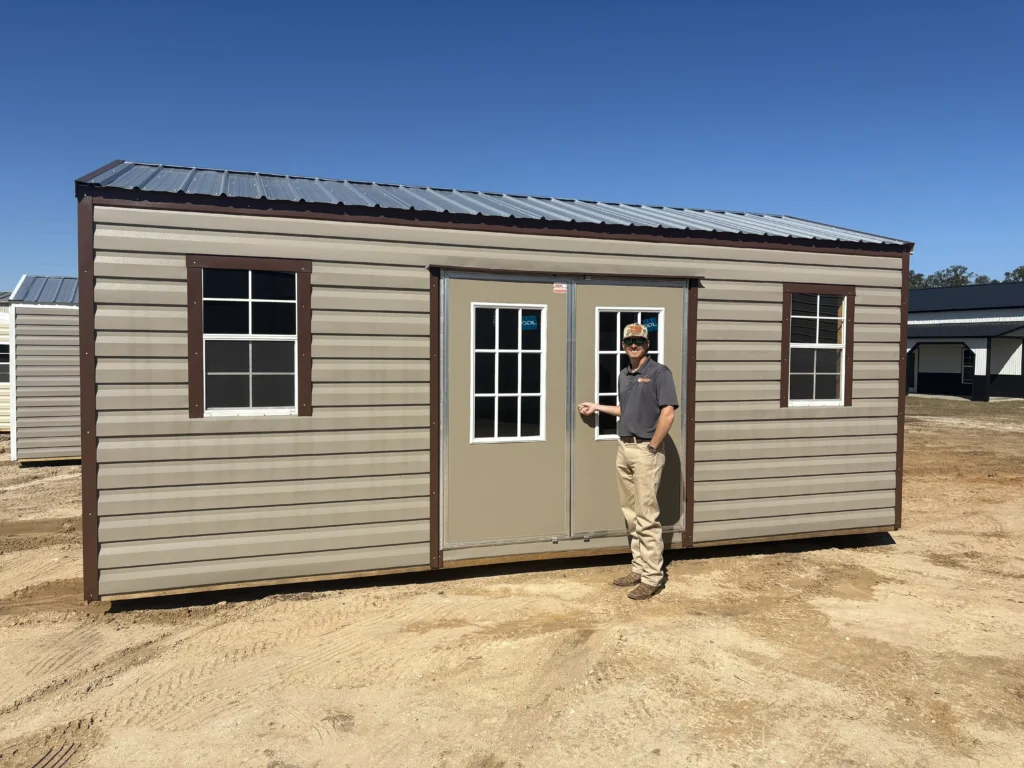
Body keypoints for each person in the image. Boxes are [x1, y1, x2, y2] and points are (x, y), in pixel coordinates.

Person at [578, 322, 679, 600]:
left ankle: (652, 577)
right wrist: (597, 407)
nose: (633, 345)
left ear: (647, 345)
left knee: (647, 516)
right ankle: (638, 567)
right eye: (629, 342)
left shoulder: (659, 373)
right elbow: (626, 409)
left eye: (639, 341)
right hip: (624, 448)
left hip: (646, 450)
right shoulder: (624, 375)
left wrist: (653, 446)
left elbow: (668, 413)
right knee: (631, 514)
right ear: (623, 345)